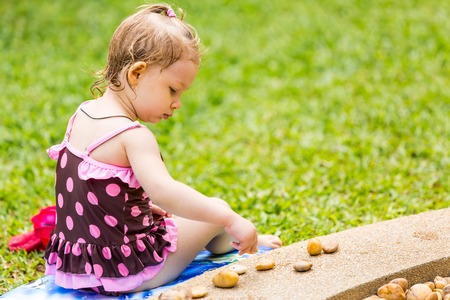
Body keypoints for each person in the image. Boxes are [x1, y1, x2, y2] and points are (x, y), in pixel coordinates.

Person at [43, 3, 282, 295]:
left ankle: (236, 239)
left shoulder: (82, 114)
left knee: (185, 215)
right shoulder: (133, 136)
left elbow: (86, 192)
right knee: (214, 208)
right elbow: (165, 192)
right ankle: (241, 240)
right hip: (129, 270)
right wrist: (228, 217)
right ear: (136, 73)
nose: (177, 103)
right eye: (173, 89)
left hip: (78, 266)